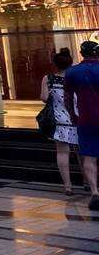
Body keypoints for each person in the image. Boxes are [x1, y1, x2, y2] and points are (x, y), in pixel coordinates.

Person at [64, 40, 99, 209]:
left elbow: (67, 98)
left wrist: (72, 115)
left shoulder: (72, 72)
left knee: (89, 157)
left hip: (85, 119)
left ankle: (95, 191)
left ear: (81, 53)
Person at [41, 50, 80, 195]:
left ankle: (68, 186)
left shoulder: (48, 78)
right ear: (71, 63)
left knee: (62, 152)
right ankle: (87, 182)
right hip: (77, 118)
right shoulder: (76, 78)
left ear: (55, 64)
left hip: (59, 120)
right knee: (81, 152)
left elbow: (44, 98)